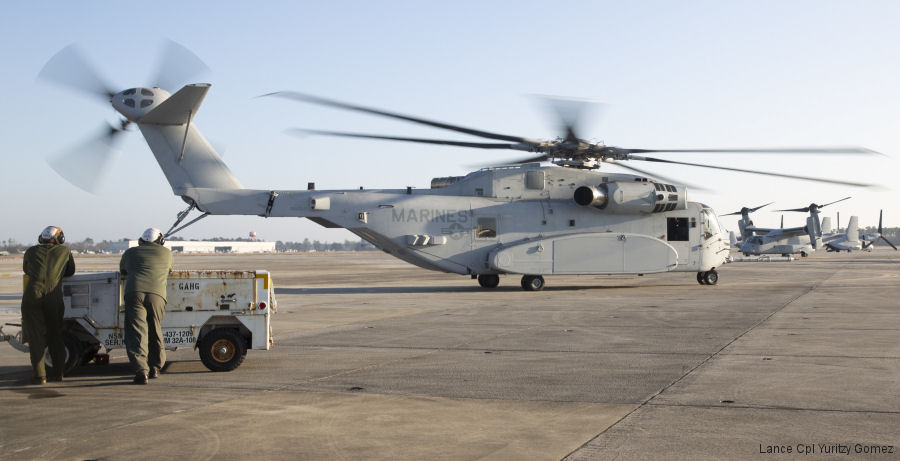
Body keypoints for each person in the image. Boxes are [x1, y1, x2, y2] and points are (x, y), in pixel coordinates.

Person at [21, 226, 75, 385]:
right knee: (55, 334)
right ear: (60, 239)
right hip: (53, 296)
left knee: (35, 337)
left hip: (32, 295)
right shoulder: (64, 252)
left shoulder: (30, 251)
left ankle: (40, 376)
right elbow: (70, 271)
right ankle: (58, 373)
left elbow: (27, 270)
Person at [119, 228, 173, 384]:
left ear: (141, 240)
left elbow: (123, 270)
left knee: (137, 331)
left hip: (134, 293)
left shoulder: (130, 253)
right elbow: (169, 270)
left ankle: (141, 370)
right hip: (157, 295)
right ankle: (156, 367)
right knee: (155, 329)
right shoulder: (167, 253)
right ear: (160, 241)